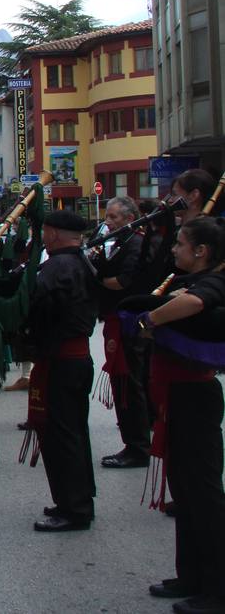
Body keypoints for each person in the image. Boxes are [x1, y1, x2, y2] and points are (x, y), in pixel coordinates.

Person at [136, 218, 225, 613]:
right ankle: (190, 575)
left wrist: (152, 320)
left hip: (196, 394)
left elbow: (194, 304)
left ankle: (217, 589)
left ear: (202, 251)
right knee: (184, 492)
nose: (175, 250)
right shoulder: (185, 276)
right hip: (175, 393)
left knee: (204, 495)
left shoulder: (213, 281)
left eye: (181, 244)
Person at [25, 208, 99, 532]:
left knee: (62, 435)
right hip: (78, 357)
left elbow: (39, 309)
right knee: (75, 432)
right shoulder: (81, 261)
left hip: (61, 359)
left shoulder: (56, 267)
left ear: (52, 234)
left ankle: (74, 508)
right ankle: (79, 497)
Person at [93, 196, 149, 469]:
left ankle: (137, 447)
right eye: (107, 215)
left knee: (129, 383)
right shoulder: (123, 242)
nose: (108, 221)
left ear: (130, 218)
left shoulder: (135, 243)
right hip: (117, 319)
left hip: (126, 322)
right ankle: (134, 442)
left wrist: (97, 278)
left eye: (114, 217)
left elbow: (123, 282)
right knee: (125, 383)